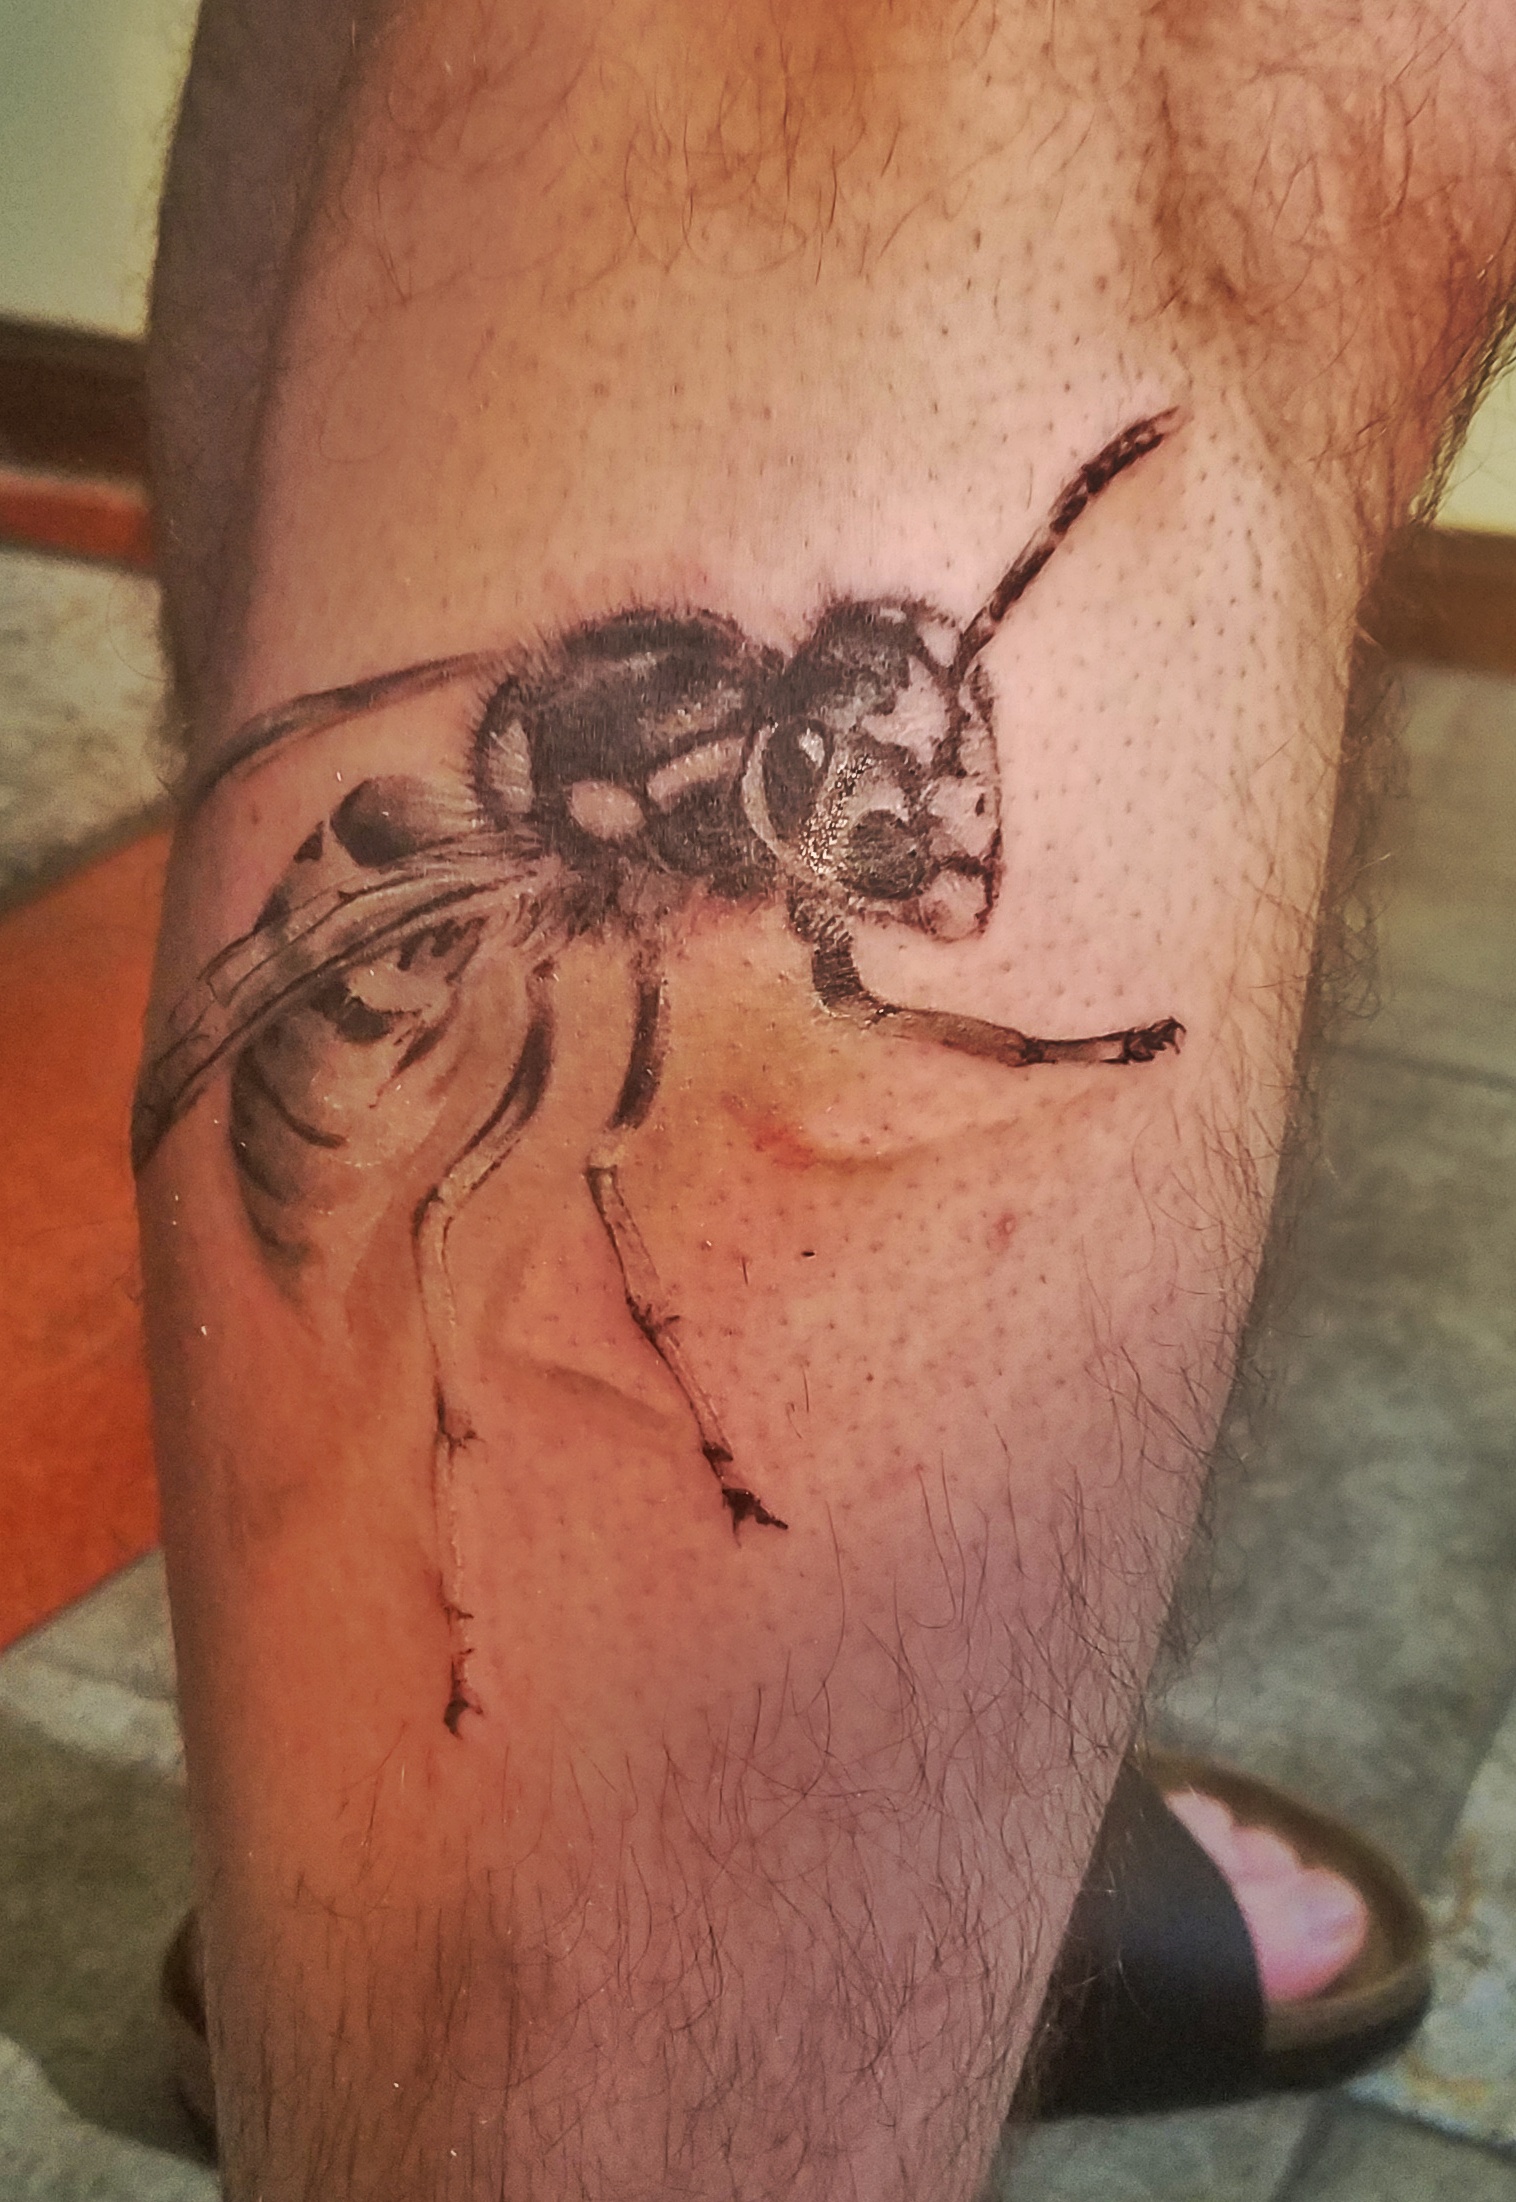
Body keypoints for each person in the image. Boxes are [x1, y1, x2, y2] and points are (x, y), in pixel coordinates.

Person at [137, 2, 1516, 2195]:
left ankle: (366, 1873)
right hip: (394, 992)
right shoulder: (612, 862)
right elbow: (619, 1137)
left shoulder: (738, 719)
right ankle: (555, 1965)